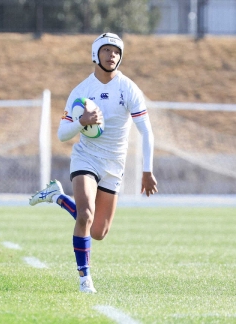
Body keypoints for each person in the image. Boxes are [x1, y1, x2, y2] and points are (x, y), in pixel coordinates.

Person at [29, 33, 158, 293]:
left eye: (116, 52)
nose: (112, 55)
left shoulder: (128, 88)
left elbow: (147, 131)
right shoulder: (82, 91)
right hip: (86, 157)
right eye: (107, 50)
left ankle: (58, 197)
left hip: (114, 164)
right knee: (85, 215)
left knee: (98, 231)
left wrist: (147, 171)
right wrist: (81, 122)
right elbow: (62, 134)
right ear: (95, 54)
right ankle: (84, 279)